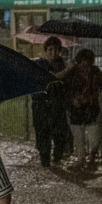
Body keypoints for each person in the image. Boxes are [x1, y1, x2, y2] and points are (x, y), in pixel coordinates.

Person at [60, 48, 102, 169]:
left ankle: (91, 156)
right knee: (78, 137)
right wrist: (72, 100)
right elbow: (64, 88)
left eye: (87, 64)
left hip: (90, 108)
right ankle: (81, 159)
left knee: (94, 135)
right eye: (83, 63)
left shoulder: (94, 72)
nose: (85, 67)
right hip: (76, 109)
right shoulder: (72, 72)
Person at [31, 36, 72, 167]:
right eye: (50, 50)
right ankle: (45, 160)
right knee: (43, 134)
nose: (53, 53)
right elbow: (50, 78)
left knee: (59, 133)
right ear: (46, 50)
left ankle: (57, 158)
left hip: (57, 104)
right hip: (41, 105)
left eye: (56, 50)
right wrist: (66, 70)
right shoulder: (40, 64)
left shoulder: (62, 64)